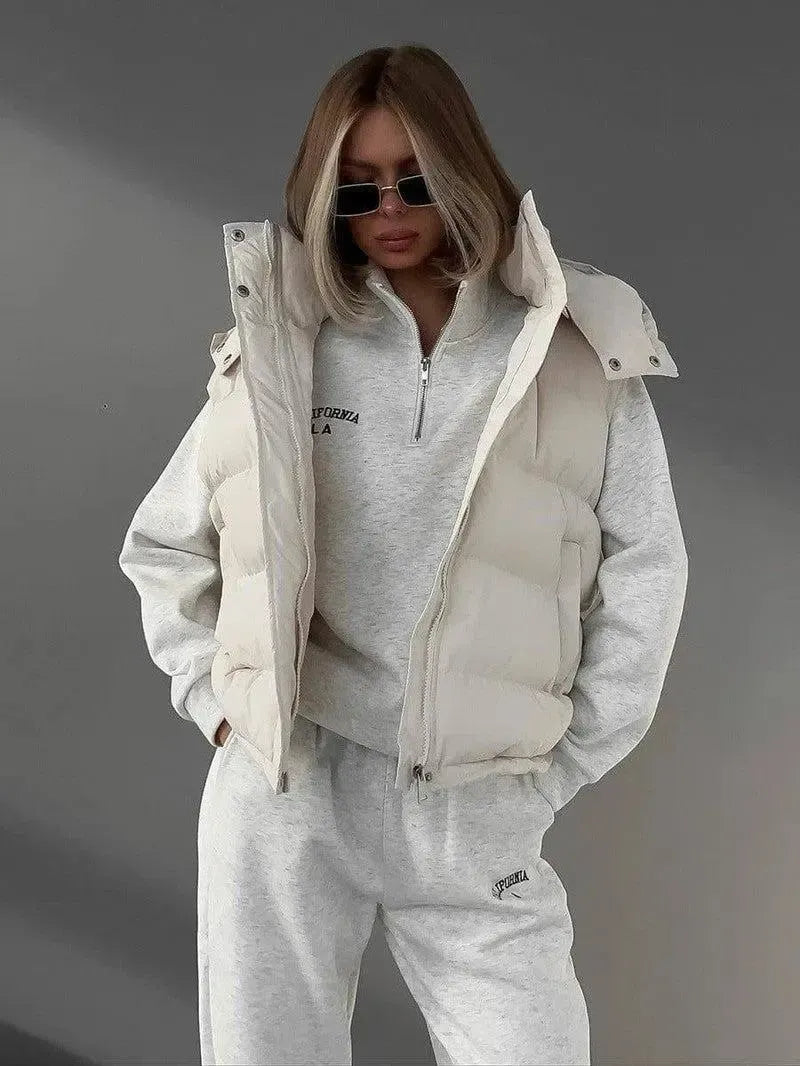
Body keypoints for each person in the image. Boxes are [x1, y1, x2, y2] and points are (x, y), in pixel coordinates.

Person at [118, 43, 688, 1066]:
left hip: (475, 800)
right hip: (289, 788)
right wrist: (221, 709)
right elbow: (165, 546)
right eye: (357, 187)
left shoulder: (568, 350)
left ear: (464, 172)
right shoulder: (285, 347)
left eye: (415, 179)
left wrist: (553, 772)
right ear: (324, 196)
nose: (388, 208)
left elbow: (646, 572)